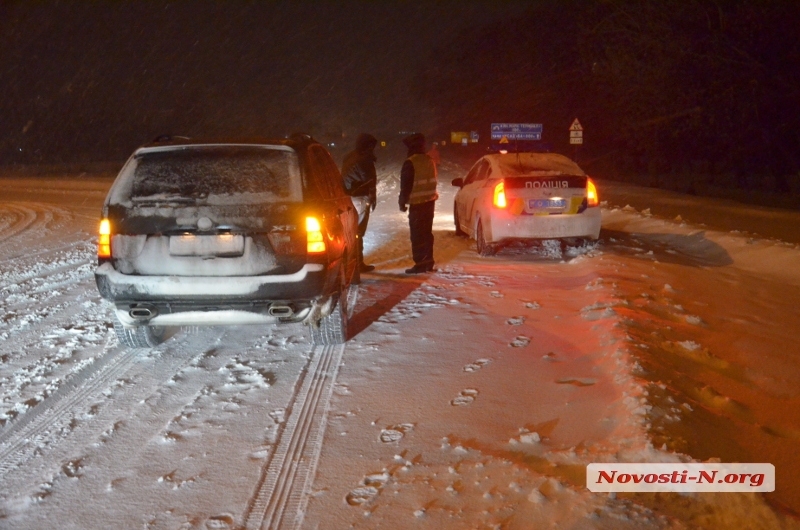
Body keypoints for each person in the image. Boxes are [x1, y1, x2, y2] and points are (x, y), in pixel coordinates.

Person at [398, 133, 438, 274]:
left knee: (417, 235)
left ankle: (420, 264)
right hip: (429, 203)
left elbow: (406, 186)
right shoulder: (429, 160)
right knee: (427, 234)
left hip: (417, 204)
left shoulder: (410, 162)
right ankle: (428, 262)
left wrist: (402, 202)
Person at [341, 133, 378, 272]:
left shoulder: (349, 157)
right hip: (361, 198)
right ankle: (357, 263)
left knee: (351, 231)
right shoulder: (364, 159)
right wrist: (372, 197)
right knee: (358, 232)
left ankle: (350, 261)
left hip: (349, 196)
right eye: (372, 146)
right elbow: (369, 181)